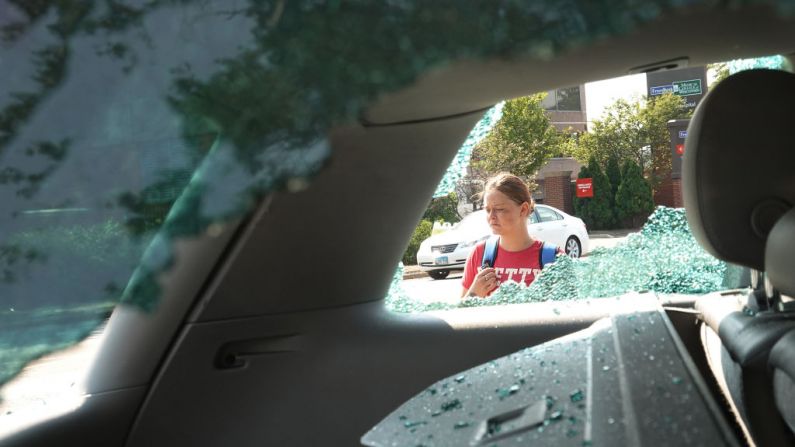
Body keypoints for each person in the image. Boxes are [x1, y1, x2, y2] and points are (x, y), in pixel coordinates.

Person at [461, 172, 560, 298]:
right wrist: (473, 294)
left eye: (499, 209)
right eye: (487, 210)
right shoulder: (479, 254)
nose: (491, 216)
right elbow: (460, 314)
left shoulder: (554, 258)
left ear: (523, 209)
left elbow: (573, 313)